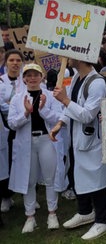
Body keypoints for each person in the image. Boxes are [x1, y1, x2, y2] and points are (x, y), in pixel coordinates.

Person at [50, 58, 106, 240]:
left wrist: (64, 100)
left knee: (96, 180)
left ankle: (103, 221)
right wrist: (60, 122)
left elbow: (87, 115)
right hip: (75, 136)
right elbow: (70, 107)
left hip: (91, 138)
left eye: (69, 55)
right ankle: (85, 211)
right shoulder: (78, 77)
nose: (65, 59)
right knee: (78, 174)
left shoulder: (97, 83)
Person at [8, 63, 66, 233]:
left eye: (36, 75)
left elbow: (59, 119)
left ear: (42, 77)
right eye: (29, 75)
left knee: (50, 178)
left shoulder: (50, 96)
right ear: (24, 79)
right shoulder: (17, 98)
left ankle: (52, 213)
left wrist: (42, 110)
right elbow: (12, 123)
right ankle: (30, 216)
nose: (32, 78)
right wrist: (26, 113)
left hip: (46, 140)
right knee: (29, 180)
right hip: (26, 143)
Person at [0, 49, 25, 212]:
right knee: (6, 162)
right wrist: (17, 106)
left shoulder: (28, 78)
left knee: (25, 160)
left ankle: (28, 195)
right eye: (11, 60)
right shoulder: (1, 82)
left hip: (25, 125)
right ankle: (6, 196)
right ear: (6, 62)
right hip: (6, 127)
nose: (15, 63)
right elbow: (2, 104)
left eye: (18, 60)